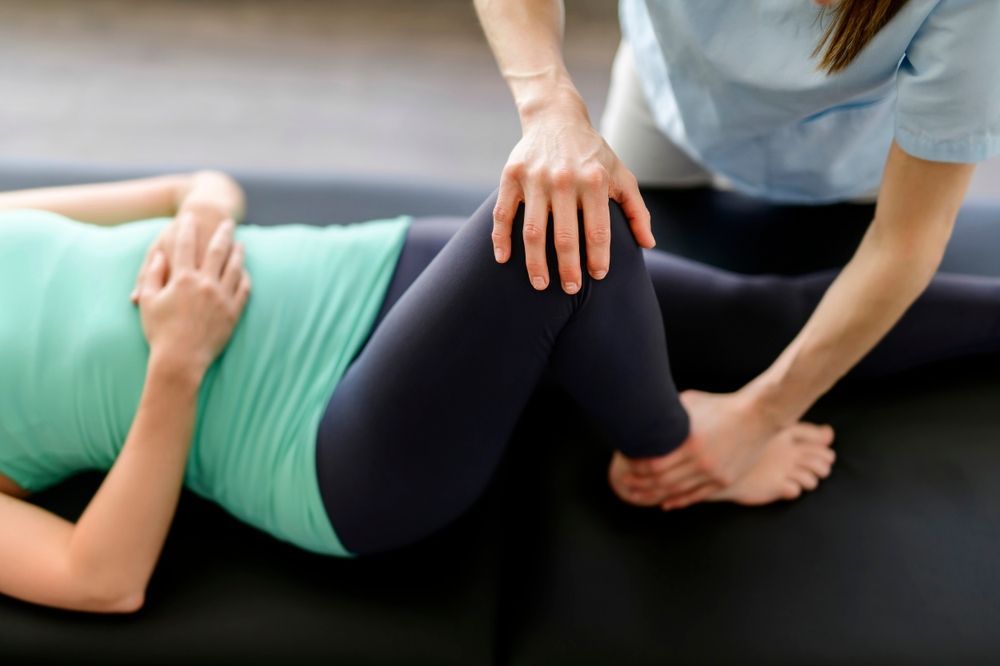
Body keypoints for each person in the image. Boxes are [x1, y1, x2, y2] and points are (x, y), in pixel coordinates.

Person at [3, 171, 1000, 613]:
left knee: (763, 312)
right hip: (324, 449)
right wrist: (177, 363)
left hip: (368, 270)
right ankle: (674, 448)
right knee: (567, 222)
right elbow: (101, 578)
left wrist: (200, 226)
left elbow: (197, 182)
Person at [474, 0, 1000, 507]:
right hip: (671, 89)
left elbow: (906, 240)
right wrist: (550, 111)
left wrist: (758, 417)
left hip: (849, 149)